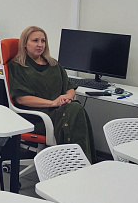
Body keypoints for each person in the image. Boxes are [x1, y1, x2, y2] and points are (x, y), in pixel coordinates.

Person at [7, 26, 96, 162]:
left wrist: (68, 97)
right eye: (35, 40)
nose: (40, 44)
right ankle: (76, 163)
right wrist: (53, 103)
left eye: (43, 41)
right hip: (36, 116)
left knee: (76, 109)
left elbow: (69, 86)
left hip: (59, 110)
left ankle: (77, 162)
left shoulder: (53, 64)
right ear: (25, 43)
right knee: (75, 110)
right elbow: (21, 99)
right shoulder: (18, 66)